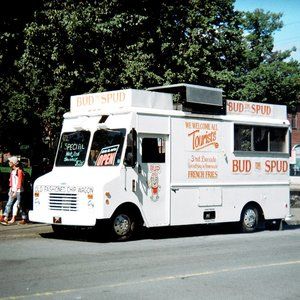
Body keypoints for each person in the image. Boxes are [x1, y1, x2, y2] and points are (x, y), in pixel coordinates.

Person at [1, 156, 28, 225]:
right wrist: (10, 189)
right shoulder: (12, 171)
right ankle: (5, 217)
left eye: (10, 162)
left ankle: (23, 218)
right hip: (13, 190)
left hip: (19, 191)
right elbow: (11, 181)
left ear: (14, 163)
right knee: (9, 204)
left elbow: (19, 182)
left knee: (19, 205)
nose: (9, 163)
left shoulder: (19, 171)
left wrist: (15, 191)